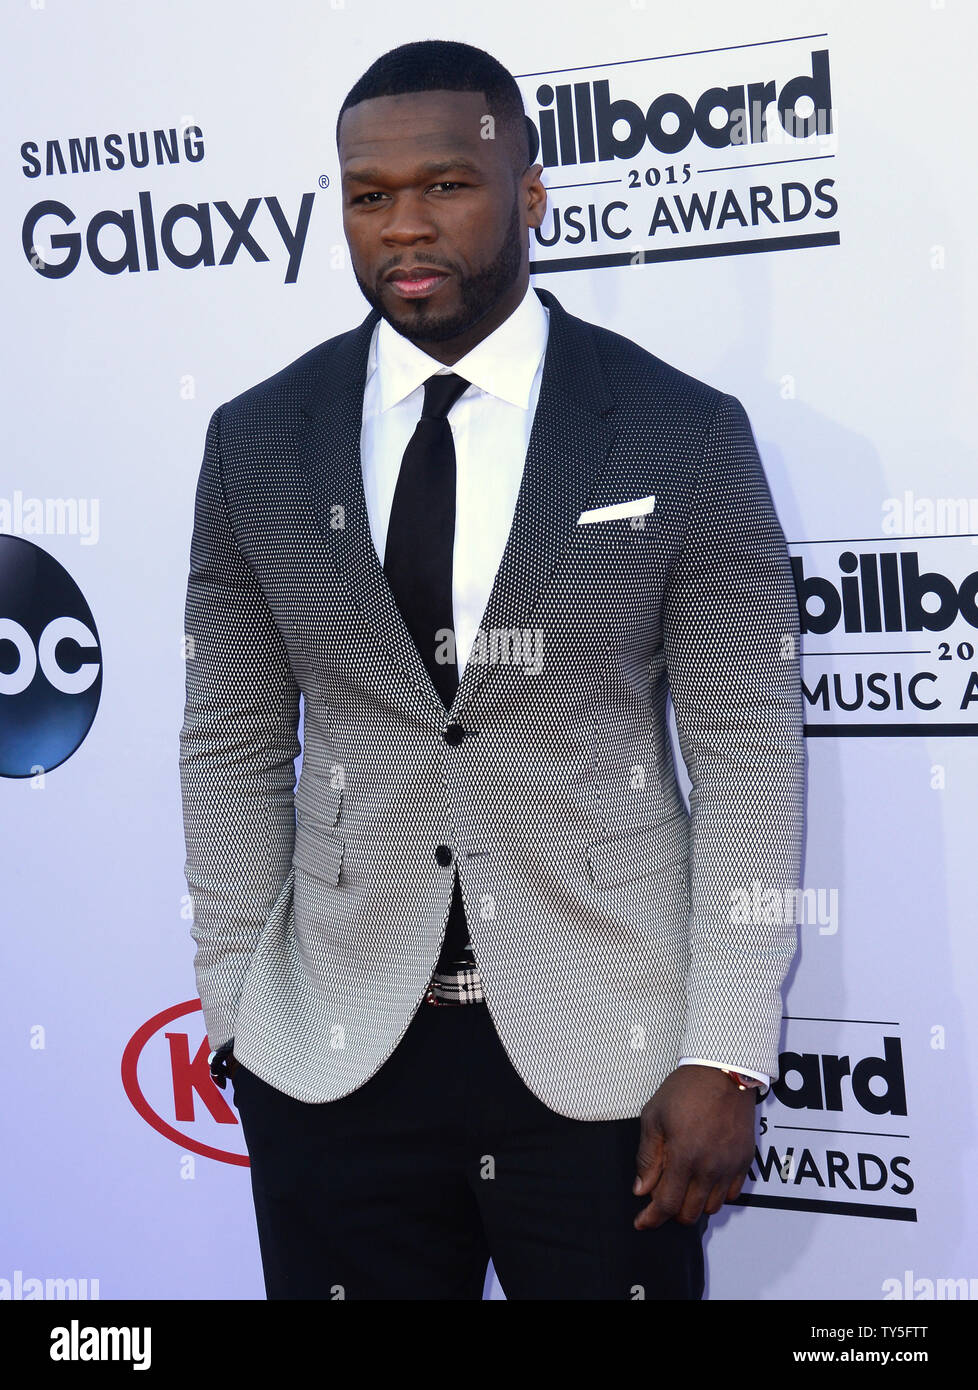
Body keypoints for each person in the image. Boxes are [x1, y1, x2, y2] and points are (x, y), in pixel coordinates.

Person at [179, 38, 805, 1300]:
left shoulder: (682, 428)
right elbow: (230, 739)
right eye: (369, 194)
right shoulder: (255, 439)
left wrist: (727, 1048)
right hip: (334, 1051)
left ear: (528, 190)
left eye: (447, 185)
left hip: (605, 1050)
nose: (406, 225)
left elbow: (747, 749)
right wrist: (238, 1006)